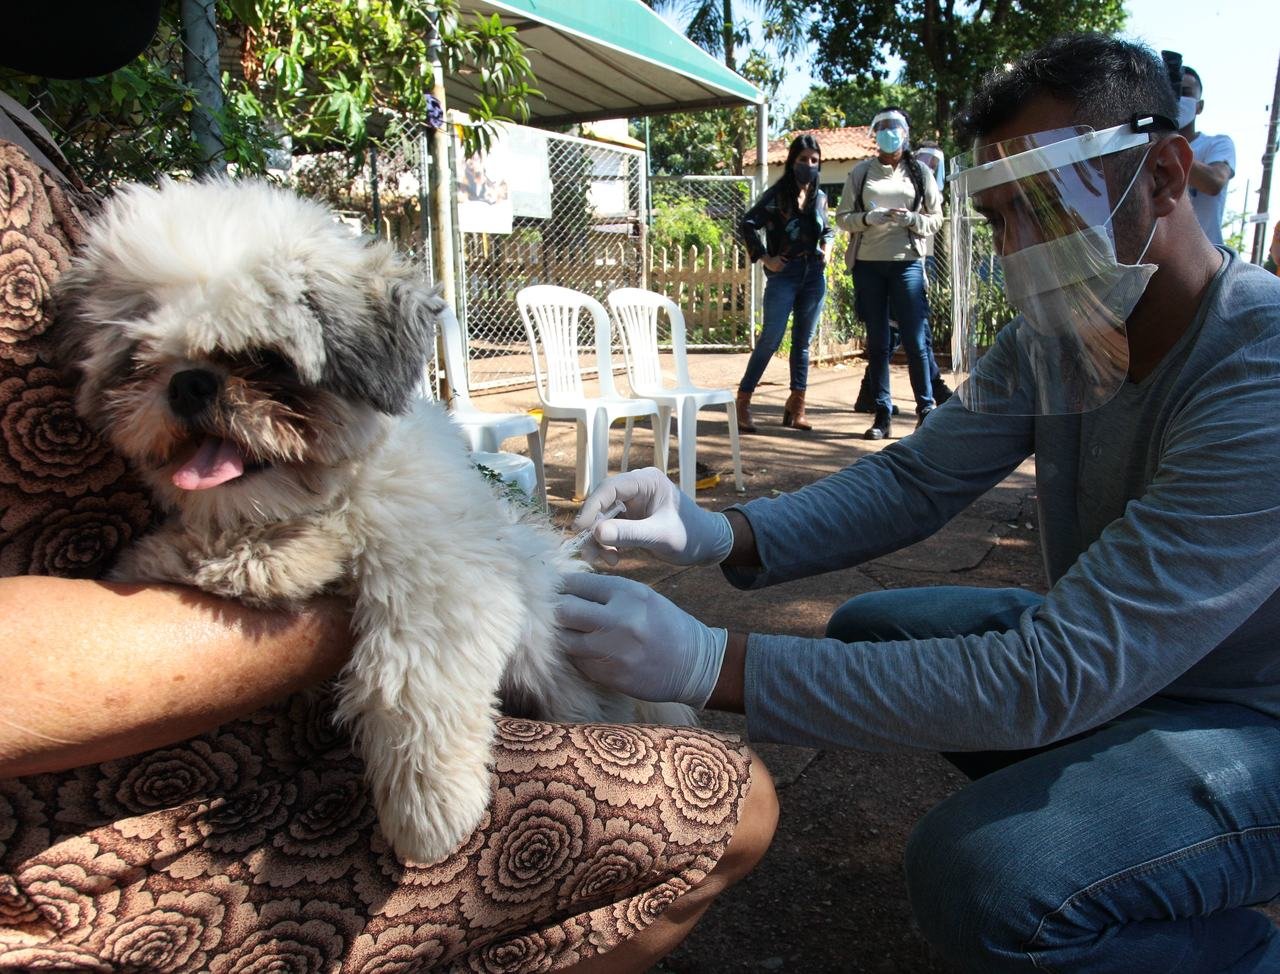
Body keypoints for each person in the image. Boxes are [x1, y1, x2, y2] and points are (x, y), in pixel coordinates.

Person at [0, 6, 777, 971]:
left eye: (265, 369)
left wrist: (723, 558)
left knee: (703, 766)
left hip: (270, 725)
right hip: (97, 830)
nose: (204, 398)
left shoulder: (31, 142)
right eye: (144, 369)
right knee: (719, 793)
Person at [558, 32, 1280, 973]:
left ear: (1168, 174)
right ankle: (1116, 813)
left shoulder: (1260, 372)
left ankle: (1235, 952)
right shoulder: (1062, 335)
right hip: (1130, 663)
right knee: (876, 627)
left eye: (1049, 207)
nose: (1022, 251)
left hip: (1251, 717)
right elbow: (916, 480)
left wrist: (706, 662)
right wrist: (717, 528)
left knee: (980, 876)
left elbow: (1052, 673)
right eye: (1000, 219)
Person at [836, 107, 943, 439]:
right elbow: (842, 218)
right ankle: (882, 413)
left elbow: (936, 219)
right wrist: (870, 219)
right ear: (874, 135)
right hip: (868, 265)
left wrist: (910, 220)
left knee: (915, 339)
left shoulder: (920, 173)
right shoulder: (861, 173)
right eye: (882, 128)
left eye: (894, 128)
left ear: (905, 134)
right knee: (879, 342)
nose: (889, 133)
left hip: (907, 263)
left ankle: (925, 408)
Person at [735, 134, 835, 433]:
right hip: (785, 275)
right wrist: (766, 258)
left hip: (814, 276)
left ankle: (797, 405)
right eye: (803, 159)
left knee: (802, 344)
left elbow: (827, 230)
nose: (809, 165)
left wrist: (827, 251)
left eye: (814, 161)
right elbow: (748, 223)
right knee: (771, 338)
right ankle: (743, 400)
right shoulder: (778, 195)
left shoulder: (820, 197)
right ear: (792, 161)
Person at [1178, 64, 1236, 247]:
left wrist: (1164, 143)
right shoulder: (1145, 144)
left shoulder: (1218, 144)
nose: (1177, 98)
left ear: (1199, 106)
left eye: (1185, 92)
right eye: (1171, 92)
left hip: (1206, 261)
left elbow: (1214, 182)